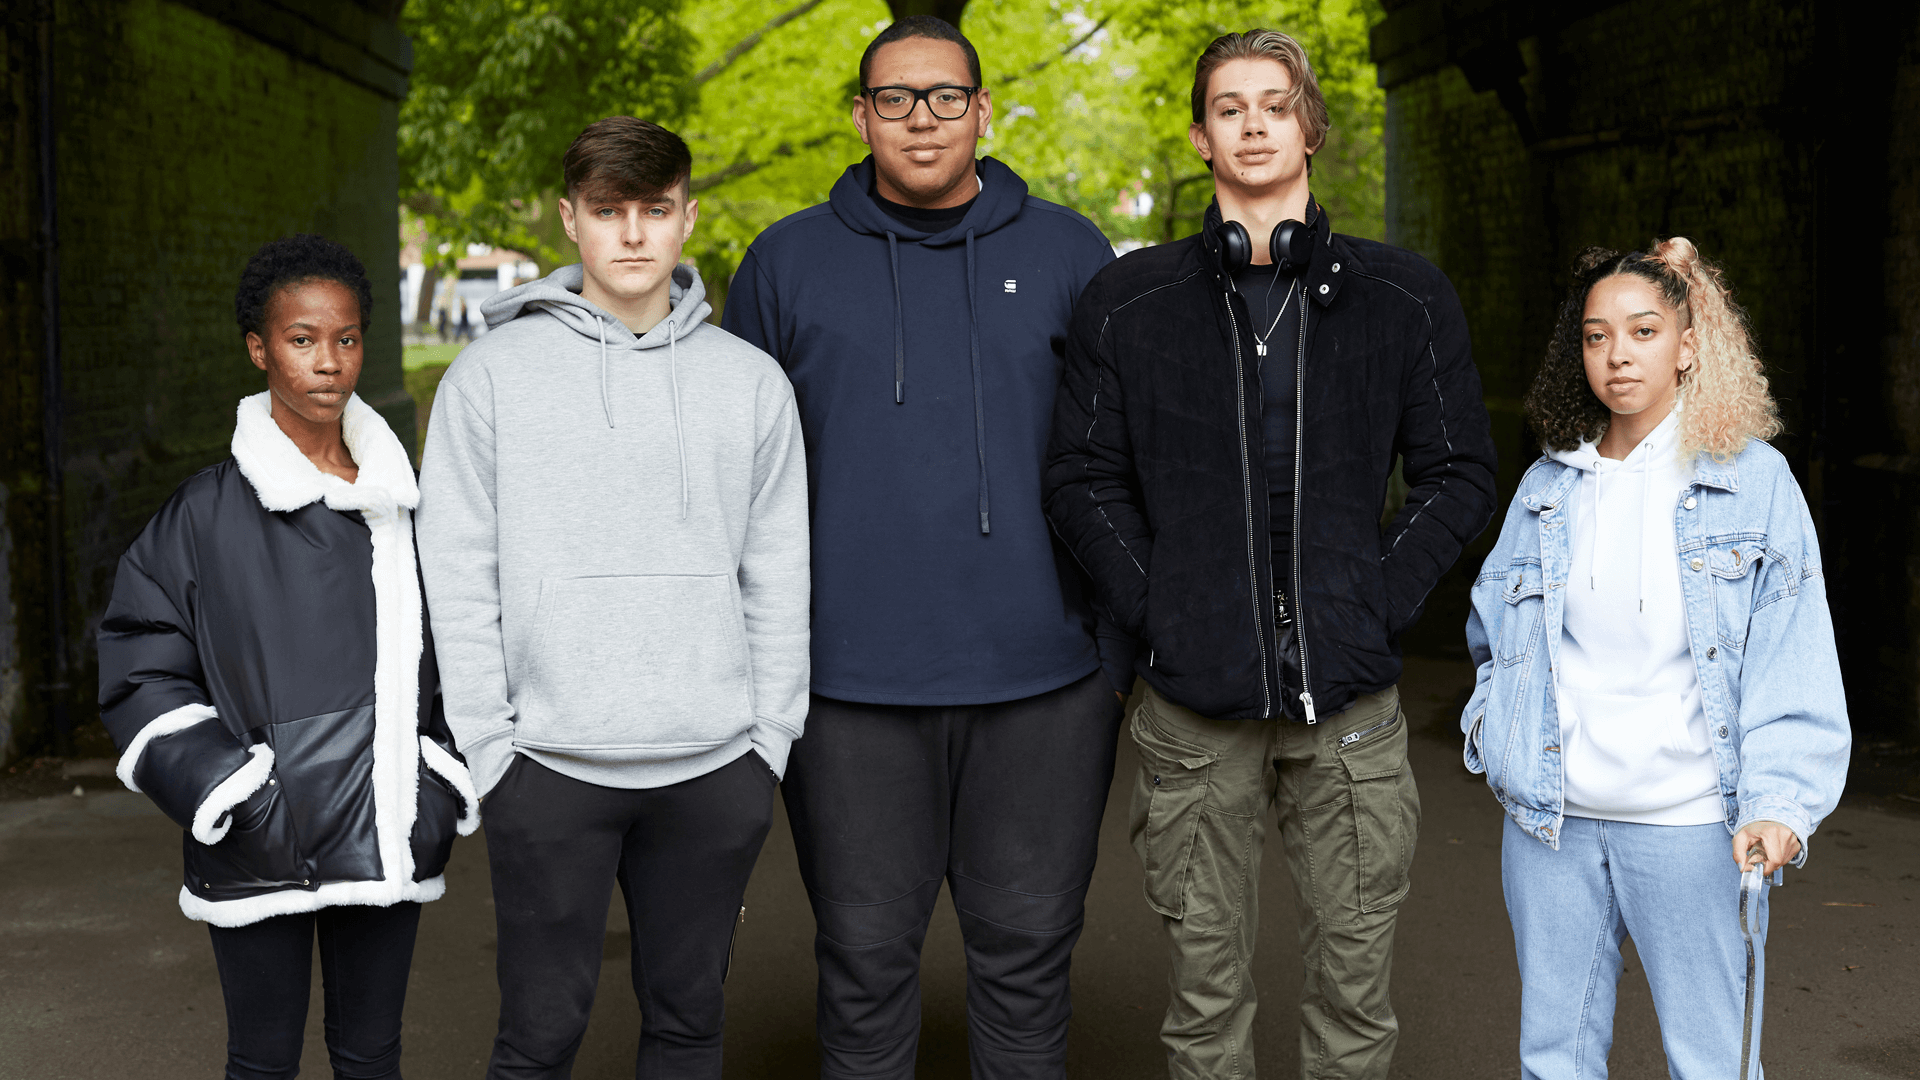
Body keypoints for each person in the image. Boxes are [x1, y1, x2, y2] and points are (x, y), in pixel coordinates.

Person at [1043, 28, 1499, 1080]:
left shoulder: (1404, 295)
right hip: (1193, 712)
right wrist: (1165, 607)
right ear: (1201, 136)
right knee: (1204, 1006)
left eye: (1274, 103)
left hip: (1349, 710)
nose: (1253, 123)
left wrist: (1375, 599)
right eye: (1230, 107)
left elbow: (1459, 473)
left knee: (1354, 999)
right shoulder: (1132, 302)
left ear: (1310, 127)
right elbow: (1080, 478)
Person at [720, 15, 1128, 1079]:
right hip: (847, 691)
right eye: (895, 97)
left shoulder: (1072, 253)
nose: (922, 117)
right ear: (861, 116)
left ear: (984, 110)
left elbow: (1129, 461)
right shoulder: (786, 263)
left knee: (1029, 962)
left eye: (946, 95)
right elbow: (733, 479)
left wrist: (1115, 654)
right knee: (861, 963)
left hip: (1045, 686)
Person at [415, 116, 809, 1079]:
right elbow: (457, 571)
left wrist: (769, 739)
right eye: (608, 212)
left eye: (654, 210)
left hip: (715, 765)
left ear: (687, 220)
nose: (633, 234)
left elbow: (778, 569)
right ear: (570, 222)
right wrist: (489, 745)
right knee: (540, 1035)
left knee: (687, 1027)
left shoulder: (750, 385)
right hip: (547, 766)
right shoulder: (490, 379)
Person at [1462, 239, 1850, 1079]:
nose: (1617, 355)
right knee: (1552, 1062)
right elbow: (1494, 637)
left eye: (1643, 331)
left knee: (1709, 1063)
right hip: (1551, 828)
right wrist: (1498, 733)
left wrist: (1782, 800)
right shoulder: (1547, 488)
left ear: (1688, 346)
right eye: (1597, 337)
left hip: (1690, 827)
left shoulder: (1753, 484)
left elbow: (1793, 650)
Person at [97, 233, 476, 1080]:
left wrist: (439, 777)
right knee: (263, 1062)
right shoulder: (202, 514)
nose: (327, 362)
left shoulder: (405, 505)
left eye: (346, 339)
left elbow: (465, 646)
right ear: (259, 348)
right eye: (302, 340)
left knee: (371, 1057)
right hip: (258, 836)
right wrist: (231, 788)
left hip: (388, 828)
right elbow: (137, 661)